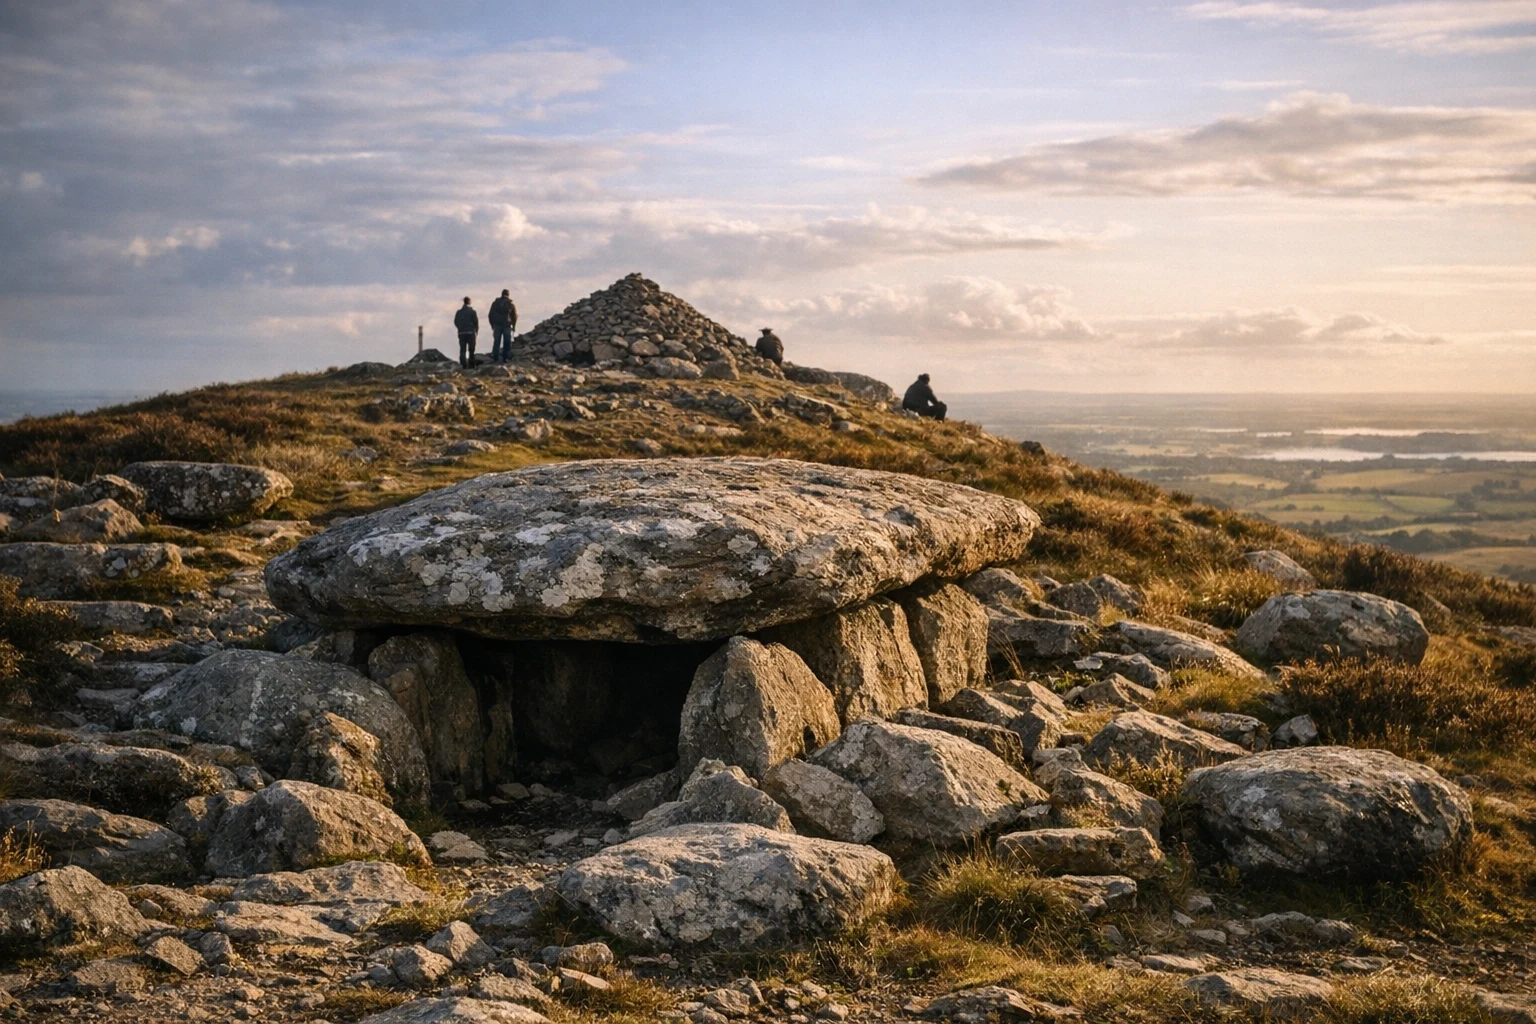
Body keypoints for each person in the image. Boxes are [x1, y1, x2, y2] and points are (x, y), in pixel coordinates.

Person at [488, 289, 517, 363]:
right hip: (507, 325)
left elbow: (490, 315)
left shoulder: (495, 303)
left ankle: (495, 358)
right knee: (507, 342)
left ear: (501, 294)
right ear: (508, 295)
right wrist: (514, 326)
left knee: (496, 342)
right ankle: (505, 358)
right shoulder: (510, 304)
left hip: (497, 325)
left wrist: (492, 325)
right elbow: (514, 316)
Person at [454, 296, 479, 368]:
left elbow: (456, 321)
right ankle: (471, 365)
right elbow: (476, 322)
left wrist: (460, 328)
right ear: (469, 302)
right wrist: (476, 331)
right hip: (471, 332)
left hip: (461, 333)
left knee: (462, 350)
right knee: (471, 350)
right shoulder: (472, 312)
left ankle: (463, 365)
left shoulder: (459, 312)